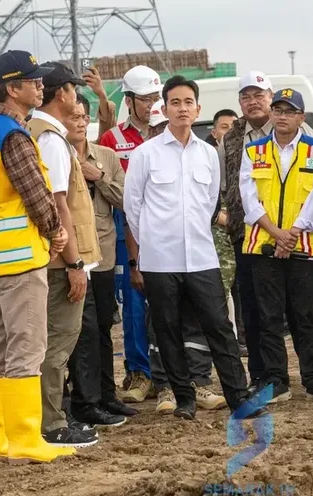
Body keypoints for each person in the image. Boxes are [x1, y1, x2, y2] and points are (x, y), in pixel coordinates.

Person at [124, 75, 265, 421]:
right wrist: (152, 242)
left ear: (197, 108)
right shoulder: (146, 154)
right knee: (168, 330)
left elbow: (210, 201)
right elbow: (133, 206)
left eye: (188, 102)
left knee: (219, 327)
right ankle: (184, 399)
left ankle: (238, 397)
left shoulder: (209, 154)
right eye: (175, 102)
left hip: (202, 256)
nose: (182, 108)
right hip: (160, 259)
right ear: (165, 108)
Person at [0, 49, 74, 463]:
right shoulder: (14, 135)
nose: (40, 86)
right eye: (32, 81)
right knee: (27, 349)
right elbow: (35, 193)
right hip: (19, 258)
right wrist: (56, 230)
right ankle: (26, 439)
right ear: (12, 89)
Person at [220, 71, 313, 391]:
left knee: (301, 312)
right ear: (240, 102)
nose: (253, 101)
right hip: (248, 235)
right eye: (246, 96)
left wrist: (287, 234)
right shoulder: (232, 137)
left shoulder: (306, 136)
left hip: (297, 237)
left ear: (270, 97)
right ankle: (264, 376)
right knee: (256, 310)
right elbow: (225, 186)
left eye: (259, 95)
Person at [240, 88, 313, 403]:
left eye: (289, 111)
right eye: (278, 110)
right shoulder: (253, 151)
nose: (282, 116)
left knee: (304, 316)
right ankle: (277, 381)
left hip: (302, 247)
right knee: (268, 317)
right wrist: (276, 233)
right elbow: (249, 200)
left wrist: (290, 234)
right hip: (263, 247)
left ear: (299, 116)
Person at [27, 62, 102, 447]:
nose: (77, 97)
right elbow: (58, 204)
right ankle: (51, 423)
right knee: (57, 344)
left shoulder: (39, 131)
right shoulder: (52, 140)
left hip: (50, 257)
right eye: (74, 89)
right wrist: (74, 263)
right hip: (60, 260)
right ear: (64, 94)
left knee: (49, 343)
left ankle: (49, 416)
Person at [66, 94, 135, 425]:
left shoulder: (106, 156)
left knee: (105, 326)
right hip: (72, 256)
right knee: (83, 330)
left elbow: (126, 200)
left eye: (83, 116)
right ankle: (86, 399)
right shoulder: (54, 155)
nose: (79, 122)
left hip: (104, 253)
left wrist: (99, 177)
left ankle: (108, 395)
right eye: (73, 116)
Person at [98, 65, 162, 403]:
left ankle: (170, 370)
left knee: (169, 302)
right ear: (129, 100)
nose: (152, 104)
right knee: (134, 304)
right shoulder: (112, 140)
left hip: (165, 231)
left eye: (156, 97)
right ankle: (140, 374)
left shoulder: (166, 132)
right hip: (125, 235)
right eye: (146, 98)